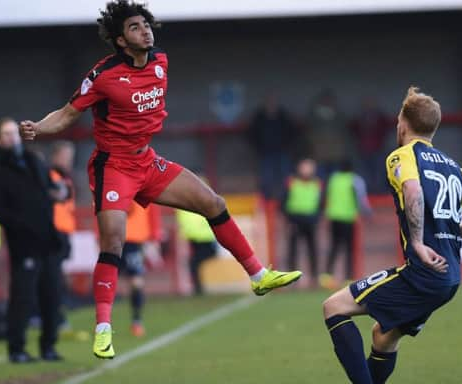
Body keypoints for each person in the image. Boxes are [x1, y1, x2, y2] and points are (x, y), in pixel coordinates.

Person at [18, 0, 302, 360]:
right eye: (135, 27)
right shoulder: (104, 74)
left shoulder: (160, 62)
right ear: (121, 40)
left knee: (214, 204)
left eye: (145, 25)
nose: (145, 31)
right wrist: (38, 128)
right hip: (114, 167)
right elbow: (68, 112)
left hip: (147, 162)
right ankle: (103, 328)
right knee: (114, 243)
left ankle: (259, 276)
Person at [314, 87, 462, 384]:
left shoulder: (402, 156)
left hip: (423, 272)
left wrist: (417, 241)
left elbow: (412, 189)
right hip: (449, 276)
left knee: (334, 307)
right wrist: (449, 232)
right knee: (383, 336)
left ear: (403, 124)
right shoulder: (454, 167)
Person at [0, 118, 65, 363]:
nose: (12, 138)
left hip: (48, 241)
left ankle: (48, 346)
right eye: (7, 134)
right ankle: (17, 348)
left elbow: (53, 188)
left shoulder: (35, 161)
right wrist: (21, 225)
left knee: (52, 295)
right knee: (23, 297)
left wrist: (62, 192)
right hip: (23, 244)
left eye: (14, 133)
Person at [322, 159, 371, 287]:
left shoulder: (334, 179)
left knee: (334, 247)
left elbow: (327, 196)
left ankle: (327, 277)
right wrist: (367, 213)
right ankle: (348, 277)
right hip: (349, 218)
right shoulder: (355, 180)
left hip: (334, 217)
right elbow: (361, 199)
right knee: (349, 249)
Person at [121, 201, 163, 337]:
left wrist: (154, 237)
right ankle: (105, 324)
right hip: (118, 239)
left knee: (135, 281)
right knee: (110, 281)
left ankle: (136, 321)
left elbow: (152, 213)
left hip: (133, 240)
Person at [248, 92, 298, 200]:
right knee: (266, 180)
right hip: (266, 153)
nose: (271, 104)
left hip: (282, 152)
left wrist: (286, 145)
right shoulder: (259, 117)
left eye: (273, 101)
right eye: (269, 101)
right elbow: (252, 134)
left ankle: (285, 200)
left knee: (286, 178)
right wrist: (259, 147)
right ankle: (268, 202)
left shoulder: (283, 115)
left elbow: (292, 131)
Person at [49, 141, 77, 329]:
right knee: (53, 274)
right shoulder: (51, 176)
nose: (68, 161)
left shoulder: (65, 177)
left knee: (58, 273)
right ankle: (53, 315)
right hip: (55, 230)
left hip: (64, 230)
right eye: (65, 156)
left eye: (70, 157)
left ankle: (55, 314)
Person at [282, 158, 322, 282]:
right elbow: (283, 201)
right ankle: (291, 277)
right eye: (304, 167)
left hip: (310, 220)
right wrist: (288, 219)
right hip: (295, 220)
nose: (306, 170)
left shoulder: (317, 183)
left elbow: (321, 203)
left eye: (309, 167)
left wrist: (317, 218)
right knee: (293, 249)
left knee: (312, 249)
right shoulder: (292, 182)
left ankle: (314, 276)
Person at [305, 89, 350, 179]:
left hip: (336, 154)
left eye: (329, 100)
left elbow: (344, 133)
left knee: (335, 178)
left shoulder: (339, 115)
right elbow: (309, 133)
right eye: (325, 100)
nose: (327, 102)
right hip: (319, 153)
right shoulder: (313, 116)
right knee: (319, 178)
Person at [350, 98, 392, 193]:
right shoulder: (360, 118)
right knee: (364, 172)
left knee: (379, 172)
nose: (369, 106)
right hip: (363, 150)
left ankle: (378, 191)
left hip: (378, 149)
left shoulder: (380, 117)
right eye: (367, 104)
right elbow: (353, 128)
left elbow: (388, 125)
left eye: (371, 104)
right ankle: (367, 191)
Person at [176, 207, 217, 295]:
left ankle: (198, 288)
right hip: (200, 239)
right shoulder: (186, 208)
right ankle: (198, 288)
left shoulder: (183, 209)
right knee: (194, 263)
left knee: (194, 263)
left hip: (205, 240)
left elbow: (185, 226)